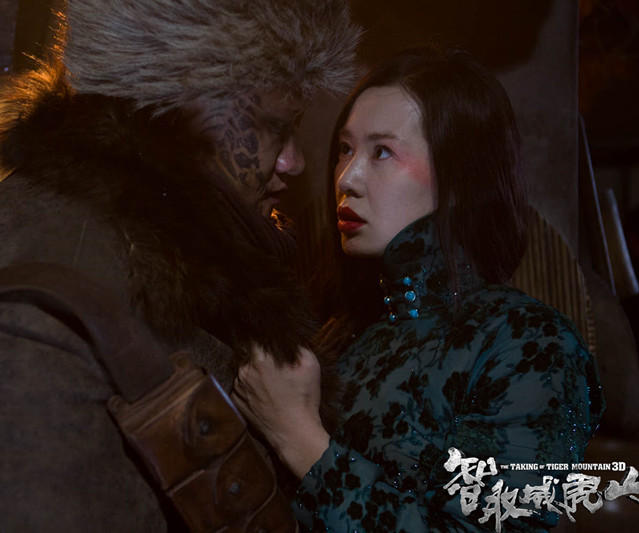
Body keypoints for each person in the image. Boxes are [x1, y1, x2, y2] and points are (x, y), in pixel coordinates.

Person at [0, 1, 360, 531]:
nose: (293, 161)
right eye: (275, 127)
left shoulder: (144, 243)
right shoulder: (32, 311)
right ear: (185, 106)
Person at [233, 47, 605, 532]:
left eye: (382, 152)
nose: (347, 178)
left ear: (459, 176)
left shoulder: (530, 343)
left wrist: (299, 438)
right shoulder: (339, 330)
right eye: (345, 149)